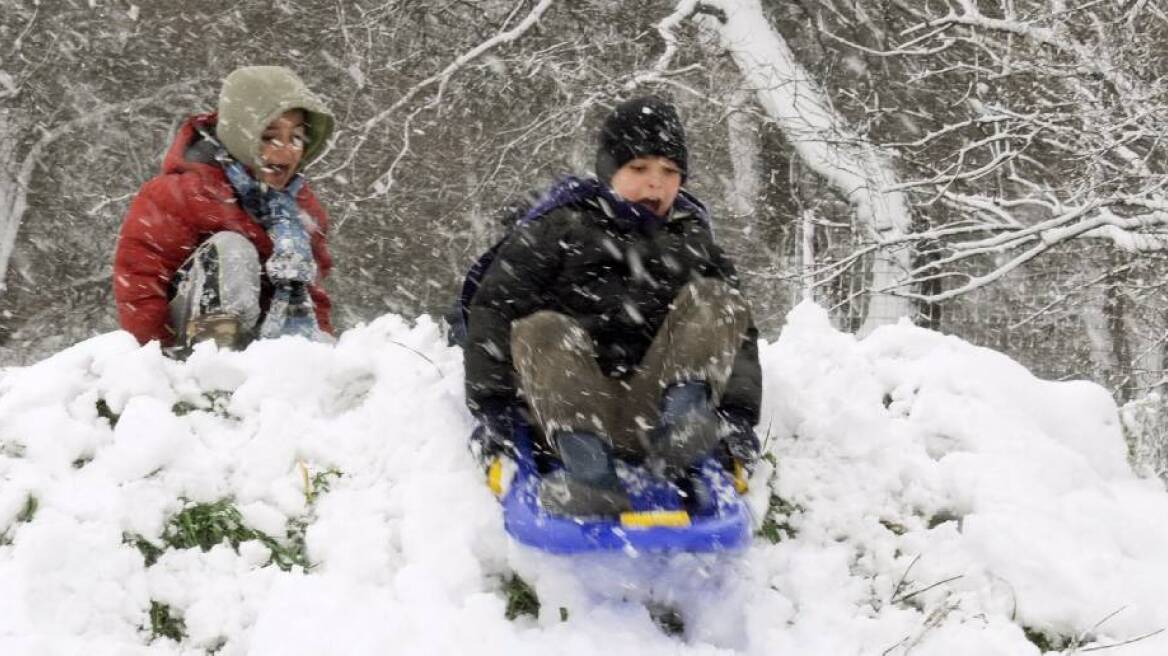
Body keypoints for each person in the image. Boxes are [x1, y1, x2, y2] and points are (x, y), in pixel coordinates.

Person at [463, 96, 762, 517]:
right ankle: (591, 477)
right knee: (542, 328)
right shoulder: (560, 226)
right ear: (609, 171)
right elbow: (493, 308)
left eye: (670, 172)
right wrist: (493, 407)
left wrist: (738, 417)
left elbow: (740, 337)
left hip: (655, 410)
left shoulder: (693, 239)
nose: (655, 184)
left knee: (718, 300)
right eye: (639, 169)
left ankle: (682, 428)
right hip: (570, 408)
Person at [114, 65, 336, 353]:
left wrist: (321, 350)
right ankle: (217, 359)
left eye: (296, 138)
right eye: (269, 137)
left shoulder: (298, 210)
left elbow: (312, 292)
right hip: (185, 342)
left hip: (261, 341)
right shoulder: (182, 194)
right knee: (232, 250)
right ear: (242, 136)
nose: (285, 149)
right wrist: (156, 354)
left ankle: (290, 355)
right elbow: (141, 281)